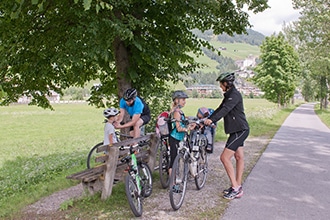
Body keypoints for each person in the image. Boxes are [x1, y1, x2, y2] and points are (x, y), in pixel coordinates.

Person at [204, 72, 250, 200]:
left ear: (226, 83)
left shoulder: (234, 95)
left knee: (224, 158)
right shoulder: (229, 95)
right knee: (239, 157)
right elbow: (220, 108)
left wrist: (212, 121)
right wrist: (209, 118)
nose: (220, 86)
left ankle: (235, 188)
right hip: (237, 130)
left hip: (240, 130)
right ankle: (238, 186)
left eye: (221, 83)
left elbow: (225, 110)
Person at [169, 90, 195, 192]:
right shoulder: (176, 112)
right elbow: (179, 128)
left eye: (185, 99)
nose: (185, 101)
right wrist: (188, 129)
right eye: (183, 99)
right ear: (176, 100)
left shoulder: (179, 111)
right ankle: (173, 185)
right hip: (174, 138)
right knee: (173, 161)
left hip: (178, 138)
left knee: (175, 159)